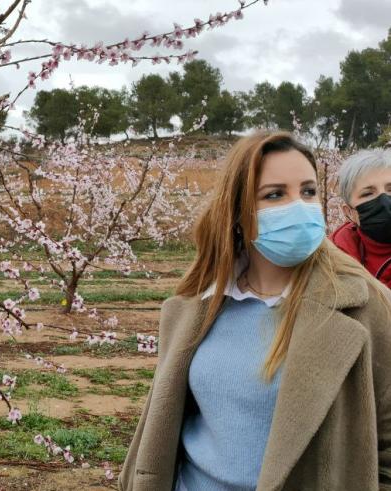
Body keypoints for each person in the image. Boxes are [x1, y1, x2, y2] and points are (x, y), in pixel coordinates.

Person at [120, 131, 391, 490]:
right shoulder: (196, 303)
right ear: (238, 211)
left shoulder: (366, 304)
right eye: (275, 194)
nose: (299, 206)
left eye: (308, 191)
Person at [331, 149, 391, 288]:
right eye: (368, 193)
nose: (384, 201)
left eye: (390, 189)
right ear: (350, 212)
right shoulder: (332, 263)